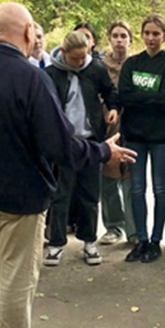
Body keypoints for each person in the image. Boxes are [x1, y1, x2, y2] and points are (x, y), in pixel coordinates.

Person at [0, 2, 135, 328]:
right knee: (17, 270)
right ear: (27, 31)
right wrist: (103, 151)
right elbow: (59, 144)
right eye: (33, 28)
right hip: (21, 194)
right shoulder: (31, 78)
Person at [43, 31, 118, 266]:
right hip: (64, 144)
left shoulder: (95, 69)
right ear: (64, 52)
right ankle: (56, 243)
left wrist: (112, 108)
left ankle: (89, 242)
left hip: (90, 141)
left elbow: (110, 91)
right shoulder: (51, 74)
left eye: (83, 57)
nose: (79, 62)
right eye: (74, 58)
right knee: (60, 195)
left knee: (89, 195)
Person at [119, 13, 165, 263]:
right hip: (135, 136)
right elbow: (124, 96)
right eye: (147, 33)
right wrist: (150, 99)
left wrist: (139, 98)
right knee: (136, 189)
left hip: (161, 137)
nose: (151, 38)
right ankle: (141, 240)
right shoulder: (132, 63)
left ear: (164, 35)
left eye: (156, 33)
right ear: (141, 35)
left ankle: (156, 241)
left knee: (160, 188)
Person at [99, 21, 137, 246]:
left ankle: (133, 230)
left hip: (132, 128)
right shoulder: (100, 66)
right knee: (108, 181)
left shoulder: (136, 64)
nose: (119, 40)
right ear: (110, 39)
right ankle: (113, 226)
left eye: (124, 36)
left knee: (130, 180)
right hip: (107, 128)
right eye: (115, 35)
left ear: (130, 40)